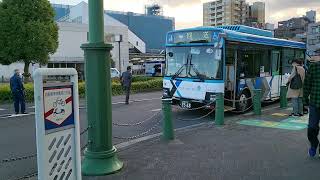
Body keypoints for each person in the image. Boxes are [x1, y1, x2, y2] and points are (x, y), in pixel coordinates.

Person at [303, 59, 320, 157]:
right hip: (315, 103)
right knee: (312, 128)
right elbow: (307, 84)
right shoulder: (314, 67)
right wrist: (305, 100)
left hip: (314, 102)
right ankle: (314, 144)